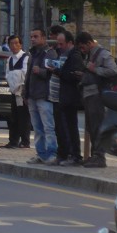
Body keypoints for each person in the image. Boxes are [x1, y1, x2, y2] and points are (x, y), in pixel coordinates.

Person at [76, 30, 117, 167]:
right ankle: (95, 154)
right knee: (91, 127)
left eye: (82, 47)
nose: (82, 50)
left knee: (97, 126)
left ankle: (100, 156)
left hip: (97, 95)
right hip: (88, 95)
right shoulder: (88, 55)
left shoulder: (103, 54)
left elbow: (113, 70)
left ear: (89, 43)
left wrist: (95, 70)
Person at [24, 27, 58, 165]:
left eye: (36, 36)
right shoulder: (32, 54)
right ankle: (41, 153)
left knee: (48, 126)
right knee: (37, 127)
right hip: (32, 95)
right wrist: (25, 92)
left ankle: (51, 153)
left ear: (43, 38)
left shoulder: (49, 53)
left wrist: (41, 71)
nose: (33, 39)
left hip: (44, 95)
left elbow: (54, 72)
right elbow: (28, 75)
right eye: (31, 36)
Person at [51, 27, 83, 165]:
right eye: (57, 44)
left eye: (61, 44)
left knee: (70, 127)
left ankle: (74, 155)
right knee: (61, 128)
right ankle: (63, 154)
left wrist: (58, 71)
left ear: (70, 43)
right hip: (60, 97)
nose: (59, 46)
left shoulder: (74, 56)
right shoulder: (61, 54)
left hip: (69, 98)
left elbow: (74, 76)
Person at [2, 35, 30, 149]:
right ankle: (13, 140)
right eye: (11, 44)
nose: (14, 46)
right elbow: (8, 74)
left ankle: (25, 141)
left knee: (23, 117)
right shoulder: (10, 59)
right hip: (14, 91)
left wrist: (16, 79)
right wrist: (14, 79)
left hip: (22, 92)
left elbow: (24, 74)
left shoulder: (25, 57)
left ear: (20, 44)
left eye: (16, 43)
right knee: (13, 117)